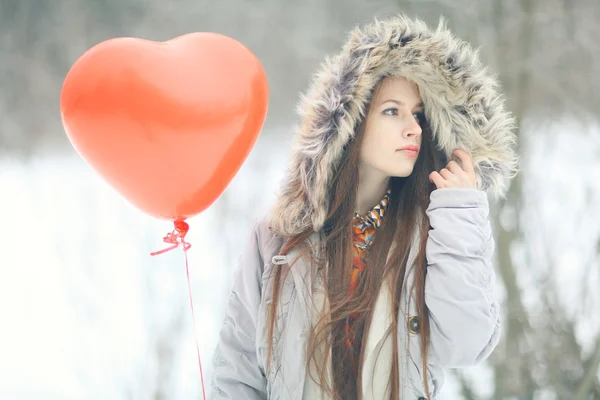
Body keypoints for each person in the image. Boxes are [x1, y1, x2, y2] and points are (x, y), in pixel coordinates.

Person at [210, 14, 517, 400]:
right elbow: (237, 375)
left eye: (419, 114)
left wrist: (460, 214)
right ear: (350, 123)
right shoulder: (278, 239)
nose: (414, 128)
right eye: (393, 111)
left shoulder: (433, 233)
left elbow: (466, 345)